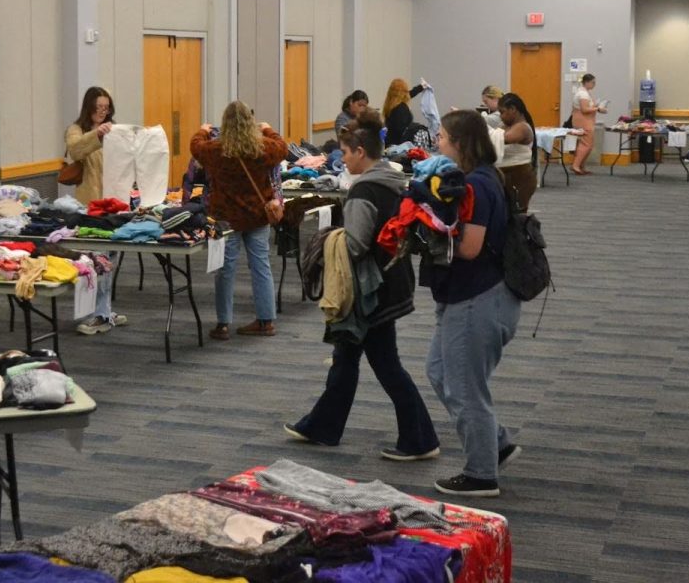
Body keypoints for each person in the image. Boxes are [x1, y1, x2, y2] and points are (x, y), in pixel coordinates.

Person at [285, 109, 440, 459]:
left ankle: (420, 439)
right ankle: (322, 427)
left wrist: (327, 240)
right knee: (346, 357)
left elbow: (354, 246)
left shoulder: (363, 192)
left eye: (345, 152)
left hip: (371, 292)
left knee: (385, 365)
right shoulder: (394, 181)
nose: (342, 159)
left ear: (359, 151)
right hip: (393, 280)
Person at [425, 111, 522, 497]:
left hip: (479, 298)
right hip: (472, 295)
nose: (438, 143)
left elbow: (469, 247)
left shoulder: (478, 186)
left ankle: (481, 474)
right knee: (440, 372)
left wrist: (429, 225)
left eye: (443, 137)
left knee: (466, 388)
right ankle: (496, 443)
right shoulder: (479, 179)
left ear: (460, 143)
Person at [190, 102, 287, 339]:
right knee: (261, 266)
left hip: (227, 218)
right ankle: (266, 321)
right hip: (257, 215)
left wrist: (203, 130)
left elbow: (195, 147)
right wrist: (268, 130)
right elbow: (283, 148)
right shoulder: (263, 148)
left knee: (225, 270)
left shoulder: (216, 149)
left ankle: (223, 324)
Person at [64, 86, 127, 335]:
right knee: (95, 262)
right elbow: (76, 149)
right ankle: (97, 314)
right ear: (88, 108)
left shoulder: (116, 130)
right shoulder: (76, 130)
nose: (103, 112)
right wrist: (97, 136)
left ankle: (104, 310)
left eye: (106, 107)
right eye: (98, 107)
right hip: (90, 206)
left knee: (110, 262)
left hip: (114, 205)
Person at [495, 93, 537, 213]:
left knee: (516, 216)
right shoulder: (505, 126)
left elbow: (505, 138)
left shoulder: (522, 127)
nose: (500, 117)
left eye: (502, 112)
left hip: (519, 177)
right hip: (507, 176)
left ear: (513, 109)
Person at [570, 73, 607, 175]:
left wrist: (596, 106)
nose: (594, 84)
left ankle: (581, 166)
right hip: (583, 121)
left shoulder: (585, 92)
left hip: (586, 121)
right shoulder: (583, 94)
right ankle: (576, 165)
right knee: (586, 145)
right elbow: (585, 109)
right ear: (586, 82)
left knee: (588, 145)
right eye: (593, 82)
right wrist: (598, 108)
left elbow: (587, 107)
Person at [381, 78, 426, 147]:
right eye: (405, 91)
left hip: (389, 143)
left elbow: (409, 94)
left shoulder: (389, 105)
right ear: (403, 92)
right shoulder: (401, 108)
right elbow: (402, 131)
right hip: (400, 146)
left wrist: (420, 87)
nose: (407, 93)